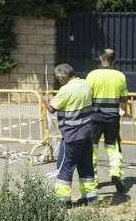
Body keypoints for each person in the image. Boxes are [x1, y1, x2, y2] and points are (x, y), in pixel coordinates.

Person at [41, 63, 97, 207]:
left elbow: (52, 109)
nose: (58, 80)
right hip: (87, 134)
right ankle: (90, 197)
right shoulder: (86, 84)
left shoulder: (65, 90)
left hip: (72, 136)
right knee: (86, 165)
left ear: (63, 77)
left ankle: (63, 200)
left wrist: (46, 100)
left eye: (59, 78)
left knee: (65, 166)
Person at [86, 48, 130, 193]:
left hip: (95, 117)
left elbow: (86, 96)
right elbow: (124, 99)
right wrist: (123, 112)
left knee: (92, 148)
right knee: (113, 146)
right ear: (114, 60)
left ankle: (94, 179)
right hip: (112, 117)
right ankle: (116, 173)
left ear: (101, 58)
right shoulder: (120, 76)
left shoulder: (92, 75)